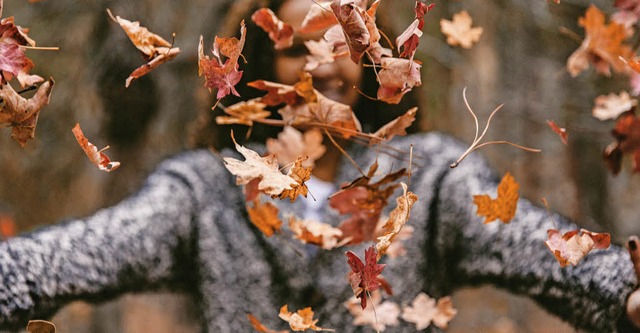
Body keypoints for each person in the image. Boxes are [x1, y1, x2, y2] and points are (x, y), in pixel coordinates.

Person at [1, 0, 640, 332]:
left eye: (340, 45)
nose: (321, 64)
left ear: (370, 60)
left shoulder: (431, 179)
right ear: (260, 69)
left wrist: (624, 289)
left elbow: (541, 251)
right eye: (296, 50)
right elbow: (78, 254)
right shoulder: (206, 192)